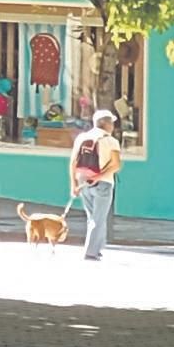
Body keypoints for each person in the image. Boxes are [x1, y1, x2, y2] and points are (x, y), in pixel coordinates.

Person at [70, 109, 123, 260]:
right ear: (106, 124)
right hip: (103, 183)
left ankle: (97, 247)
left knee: (92, 217)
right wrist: (98, 176)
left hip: (83, 180)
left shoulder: (82, 138)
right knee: (98, 218)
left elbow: (73, 161)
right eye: (111, 122)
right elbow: (116, 165)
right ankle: (90, 252)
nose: (113, 125)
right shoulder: (110, 140)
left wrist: (73, 184)